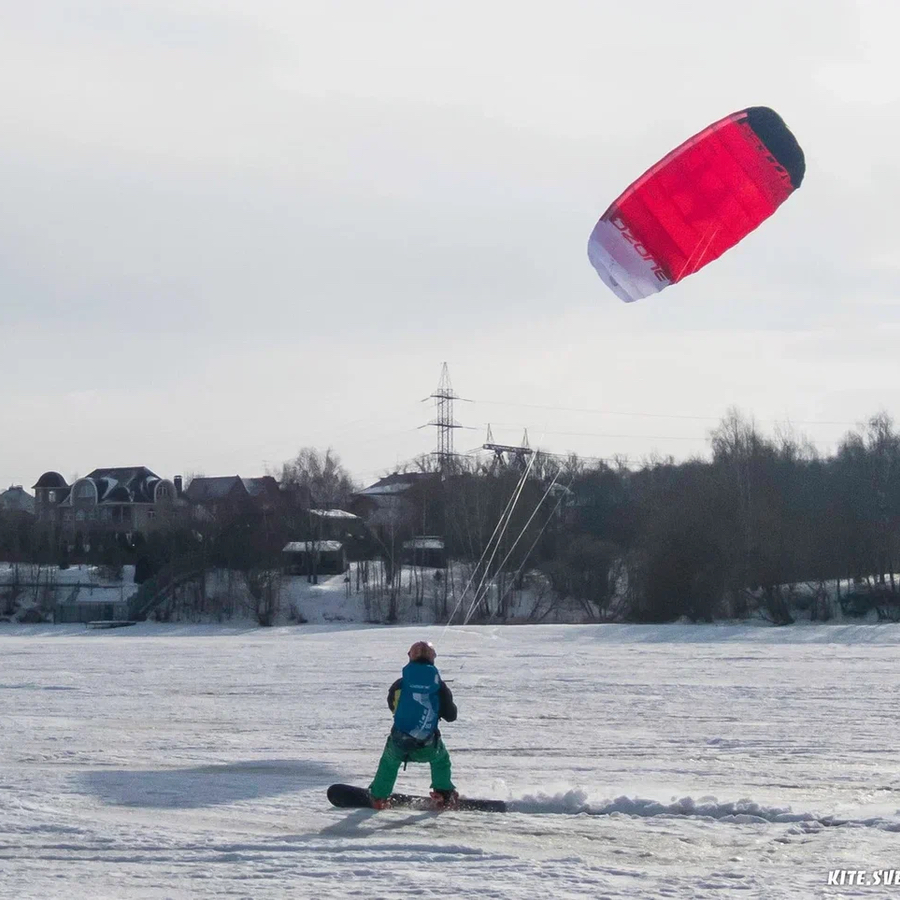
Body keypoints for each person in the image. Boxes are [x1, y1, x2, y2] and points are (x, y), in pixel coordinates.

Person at [368, 640, 458, 810]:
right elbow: (451, 715)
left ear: (410, 657)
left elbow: (393, 706)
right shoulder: (439, 686)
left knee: (389, 762)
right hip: (428, 745)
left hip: (398, 743)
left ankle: (379, 797)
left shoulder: (400, 684)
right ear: (432, 659)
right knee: (441, 760)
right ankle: (444, 795)